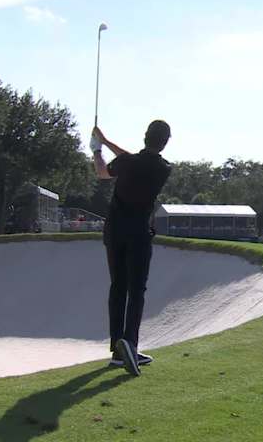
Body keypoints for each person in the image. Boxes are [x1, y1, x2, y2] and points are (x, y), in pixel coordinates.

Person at [91, 120, 172, 376]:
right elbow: (131, 159)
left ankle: (117, 348)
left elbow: (103, 173)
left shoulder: (127, 163)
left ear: (145, 136)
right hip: (138, 234)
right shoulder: (163, 168)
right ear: (165, 141)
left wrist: (97, 149)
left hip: (114, 232)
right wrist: (105, 142)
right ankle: (130, 343)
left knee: (118, 287)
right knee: (136, 291)